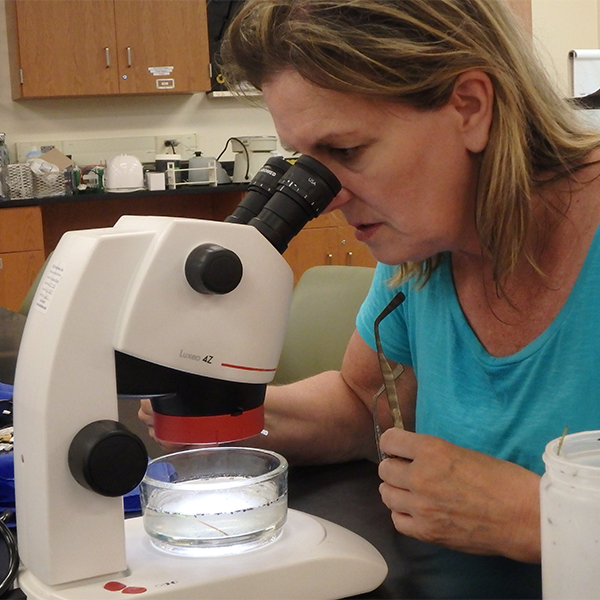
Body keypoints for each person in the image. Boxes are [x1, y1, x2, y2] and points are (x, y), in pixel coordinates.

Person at [140, 0, 600, 569]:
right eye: (307, 160)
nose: (326, 195)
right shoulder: (422, 244)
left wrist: (536, 516)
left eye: (347, 151)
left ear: (470, 107)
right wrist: (208, 412)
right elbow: (365, 408)